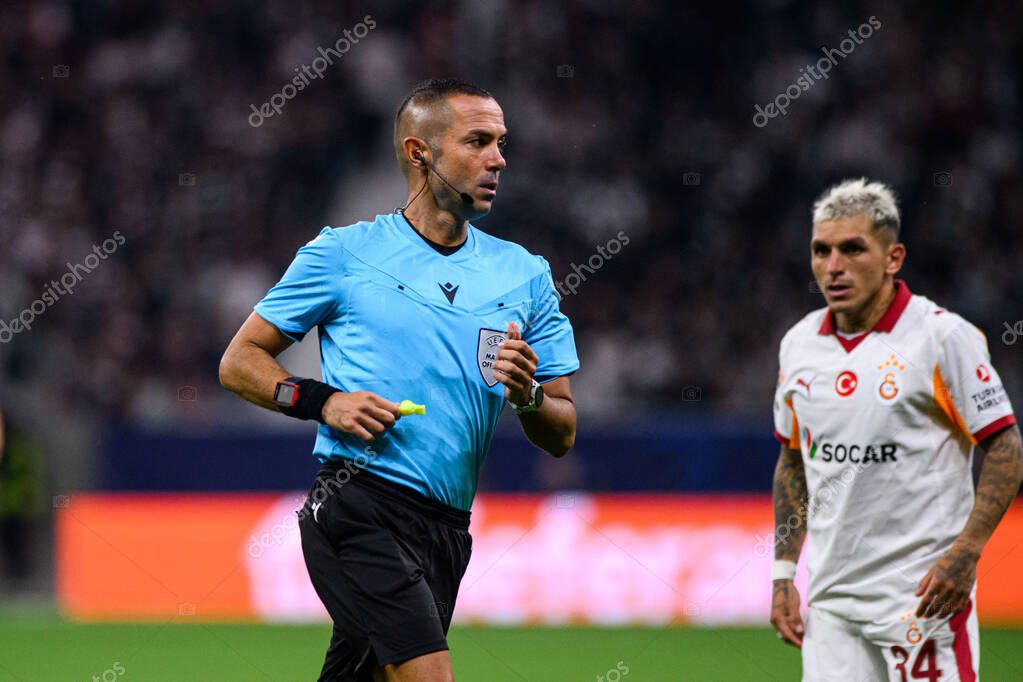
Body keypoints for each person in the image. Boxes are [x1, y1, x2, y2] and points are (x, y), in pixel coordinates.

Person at [219, 78, 579, 682]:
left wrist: (529, 395)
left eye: (501, 143)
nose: (499, 159)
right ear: (420, 153)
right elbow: (240, 362)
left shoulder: (526, 275)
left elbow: (562, 430)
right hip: (356, 505)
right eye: (479, 142)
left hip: (447, 529)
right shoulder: (342, 254)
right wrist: (323, 401)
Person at [768, 178, 1022, 680]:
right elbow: (793, 460)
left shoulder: (942, 336)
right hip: (832, 606)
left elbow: (1006, 447)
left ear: (893, 257)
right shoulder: (798, 345)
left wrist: (966, 554)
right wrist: (782, 575)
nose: (833, 266)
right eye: (821, 251)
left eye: (852, 249)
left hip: (920, 599)